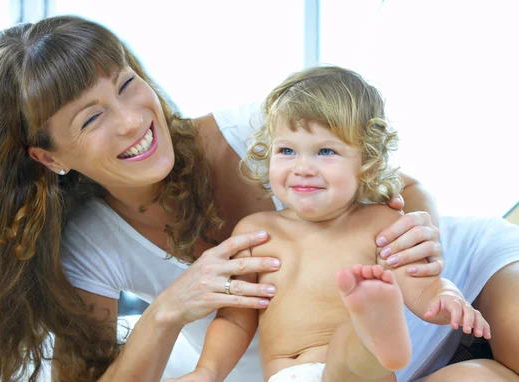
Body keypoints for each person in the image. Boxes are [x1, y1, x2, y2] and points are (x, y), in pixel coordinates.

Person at [0, 15, 516, 382]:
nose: (132, 120)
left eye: (128, 84)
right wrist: (170, 308)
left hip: (460, 279)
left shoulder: (254, 134)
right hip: (331, 369)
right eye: (92, 116)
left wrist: (422, 243)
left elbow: (404, 187)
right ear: (49, 156)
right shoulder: (91, 253)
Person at [167, 65, 490, 382]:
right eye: (287, 150)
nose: (303, 167)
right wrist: (206, 371)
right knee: (351, 342)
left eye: (325, 151)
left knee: (349, 346)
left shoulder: (380, 222)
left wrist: (449, 298)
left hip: (358, 374)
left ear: (367, 161)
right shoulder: (255, 233)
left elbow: (421, 286)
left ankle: (372, 333)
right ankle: (371, 331)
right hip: (288, 376)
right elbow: (235, 319)